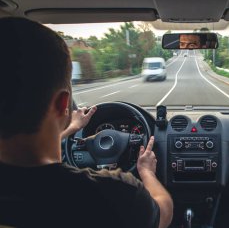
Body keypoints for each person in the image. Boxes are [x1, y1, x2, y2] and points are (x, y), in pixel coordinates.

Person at [0, 17, 173, 228]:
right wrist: (146, 171)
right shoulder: (114, 194)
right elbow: (163, 212)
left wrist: (70, 129)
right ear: (64, 104)